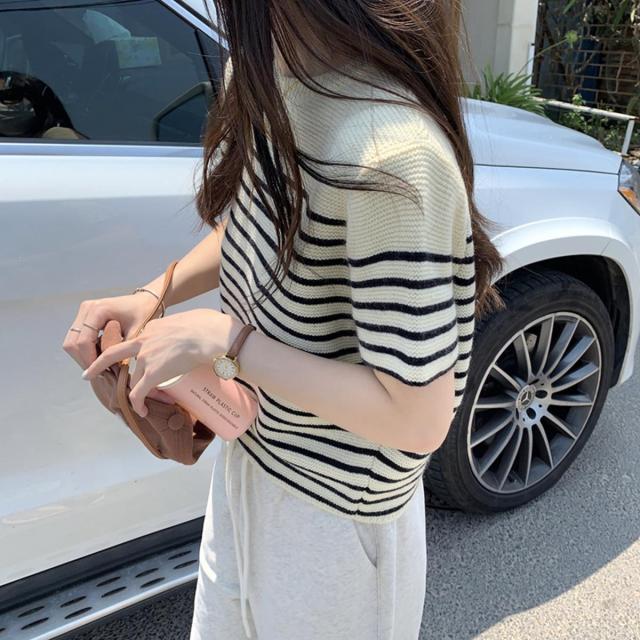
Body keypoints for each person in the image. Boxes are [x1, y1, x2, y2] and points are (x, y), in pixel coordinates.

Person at [68, 1, 505, 638]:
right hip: (251, 459)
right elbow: (261, 225)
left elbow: (419, 417)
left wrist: (228, 343)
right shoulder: (272, 70)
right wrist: (154, 293)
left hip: (337, 514)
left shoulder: (394, 154)